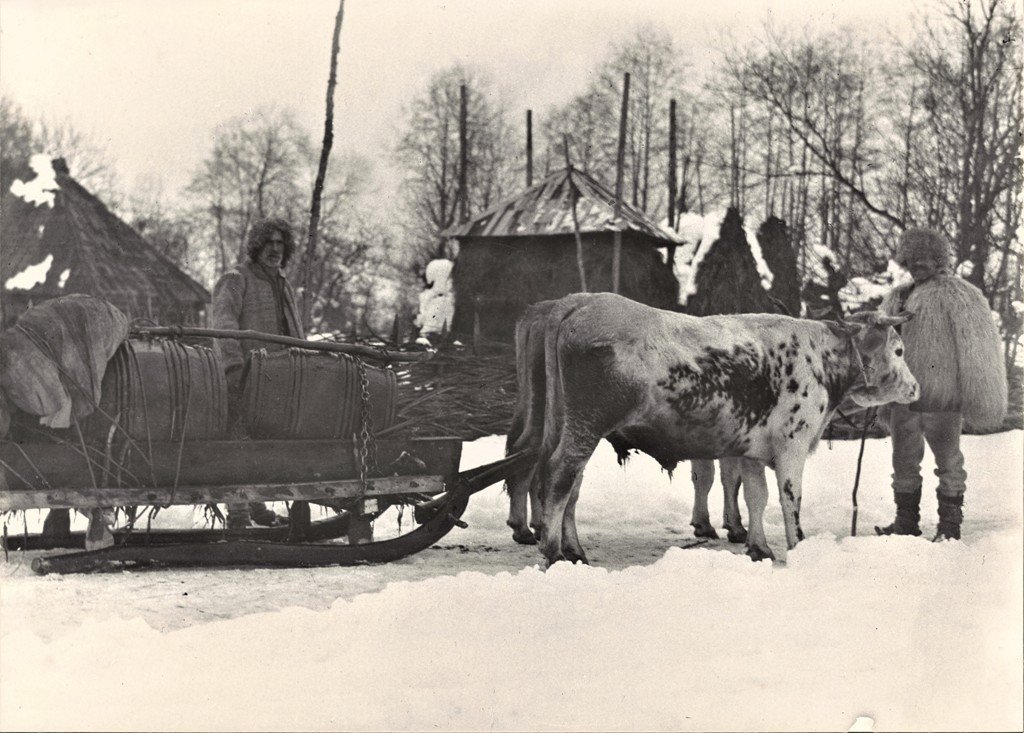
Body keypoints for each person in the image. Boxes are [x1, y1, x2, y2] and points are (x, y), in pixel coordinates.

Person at [876, 228, 1007, 541]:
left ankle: (949, 526)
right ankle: (905, 524)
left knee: (948, 462)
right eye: (912, 259)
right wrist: (878, 385)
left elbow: (978, 348)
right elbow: (880, 344)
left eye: (927, 258)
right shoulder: (898, 297)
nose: (919, 264)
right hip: (904, 398)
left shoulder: (961, 295)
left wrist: (980, 394)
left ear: (940, 260)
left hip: (943, 398)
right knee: (903, 462)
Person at [211, 217, 304, 529]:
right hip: (246, 378)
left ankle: (258, 505)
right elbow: (224, 326)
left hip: (281, 380)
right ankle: (238, 512)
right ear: (257, 245)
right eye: (269, 243)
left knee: (264, 443)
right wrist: (234, 371)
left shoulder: (283, 285)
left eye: (280, 244)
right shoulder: (237, 279)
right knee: (238, 443)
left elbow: (295, 332)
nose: (275, 250)